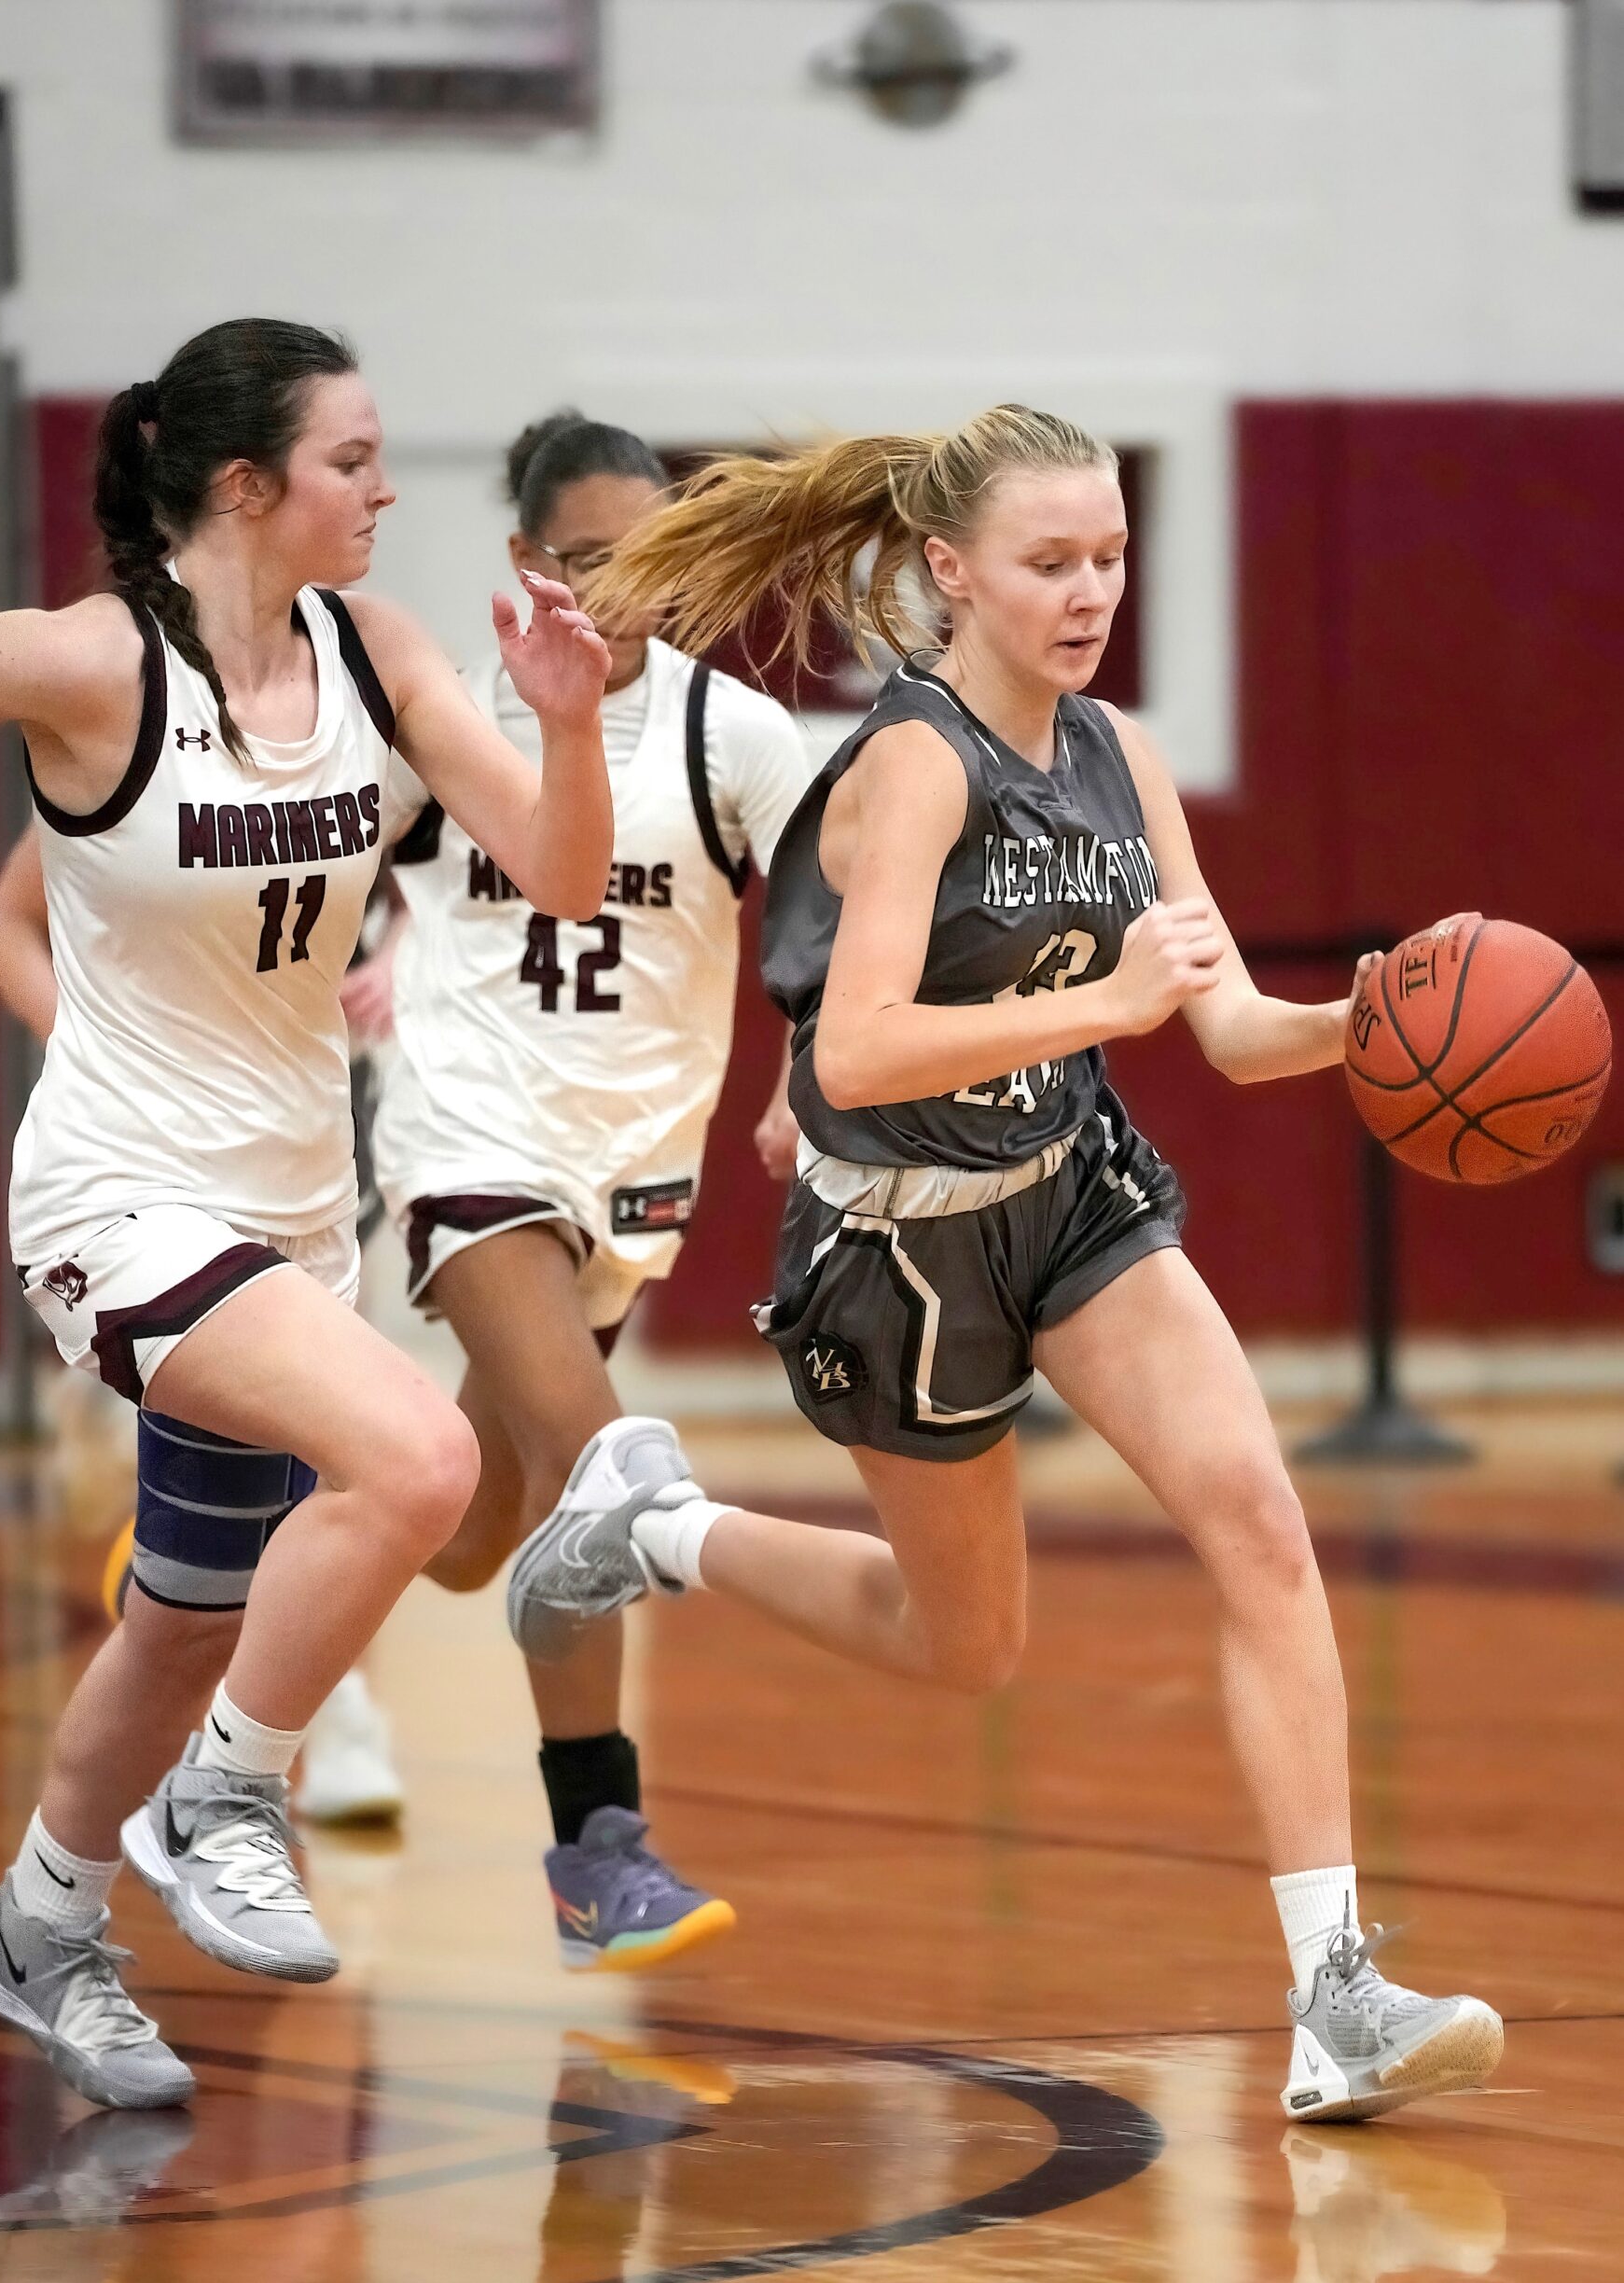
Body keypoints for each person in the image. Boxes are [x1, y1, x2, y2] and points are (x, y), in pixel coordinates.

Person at [504, 405, 1505, 2123]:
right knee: (962, 1647)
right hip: (896, 1255)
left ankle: (1331, 1995)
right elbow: (853, 1055)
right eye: (1051, 562)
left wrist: (1384, 1021)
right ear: (950, 572)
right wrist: (1102, 1004)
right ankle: (650, 1527)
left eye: (1110, 555)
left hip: (1070, 1194)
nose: (1090, 589)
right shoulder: (913, 763)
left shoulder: (1113, 751)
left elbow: (1234, 1027)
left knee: (1259, 1525)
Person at [0, 316, 611, 2108]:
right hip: (117, 1203)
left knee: (185, 1616)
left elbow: (558, 869)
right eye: (354, 462)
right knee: (420, 1461)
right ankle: (229, 1797)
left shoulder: (377, 657)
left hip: (296, 1218)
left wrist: (568, 721)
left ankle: (37, 1924)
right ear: (246, 485)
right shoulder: (96, 663)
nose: (389, 492)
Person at [364, 409, 810, 1969]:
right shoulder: (450, 721)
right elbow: (308, 879)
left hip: (630, 1174)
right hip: (467, 1138)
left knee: (472, 1527)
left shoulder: (732, 734)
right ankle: (595, 1843)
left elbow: (828, 927)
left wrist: (797, 1081)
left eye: (651, 562)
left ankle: (245, 1542)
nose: (615, 596)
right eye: (582, 564)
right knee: (593, 1463)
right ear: (518, 562)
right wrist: (361, 967)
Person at [0, 832, 406, 1828]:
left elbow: (469, 885)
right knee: (326, 1447)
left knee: (344, 1446)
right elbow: (3, 922)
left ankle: (296, 1702)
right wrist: (91, 1053)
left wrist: (402, 963)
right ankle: (324, 1722)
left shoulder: (372, 721)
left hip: (314, 1133)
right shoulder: (125, 721)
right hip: (154, 1165)